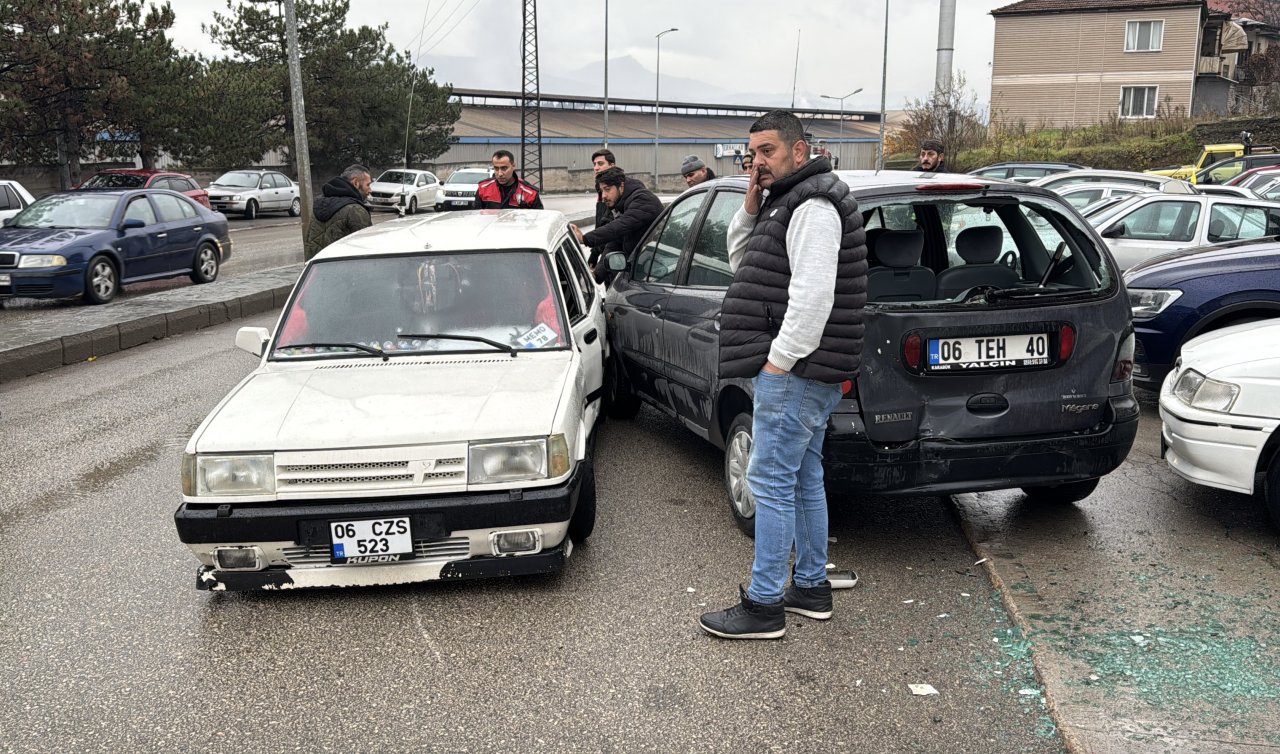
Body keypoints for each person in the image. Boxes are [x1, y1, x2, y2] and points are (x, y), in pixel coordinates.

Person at [699, 109, 868, 640]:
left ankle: (765, 603)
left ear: (800, 150)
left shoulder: (814, 206)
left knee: (768, 480)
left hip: (796, 370)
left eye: (768, 151)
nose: (757, 163)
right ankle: (811, 585)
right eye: (752, 154)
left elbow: (813, 299)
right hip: (805, 371)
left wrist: (777, 364)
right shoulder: (788, 201)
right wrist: (750, 206)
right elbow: (744, 262)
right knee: (802, 475)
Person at [571, 166, 662, 272]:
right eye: (601, 191)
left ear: (621, 186)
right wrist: (597, 275)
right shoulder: (621, 205)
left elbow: (620, 226)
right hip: (641, 268)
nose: (604, 196)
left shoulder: (643, 199)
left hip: (659, 269)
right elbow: (615, 242)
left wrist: (585, 239)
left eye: (607, 189)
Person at [304, 164, 372, 260]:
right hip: (344, 271)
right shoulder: (355, 210)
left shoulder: (319, 203)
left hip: (316, 271)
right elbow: (368, 250)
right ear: (356, 183)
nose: (370, 190)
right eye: (368, 185)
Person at [473, 149, 544, 209]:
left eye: (504, 168)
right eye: (496, 168)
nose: (500, 173)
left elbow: (539, 221)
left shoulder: (530, 194)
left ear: (513, 166)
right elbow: (476, 218)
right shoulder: (483, 189)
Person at [591, 148, 617, 230]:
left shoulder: (618, 189)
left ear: (612, 166)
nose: (596, 168)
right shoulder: (599, 187)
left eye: (600, 164)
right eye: (594, 164)